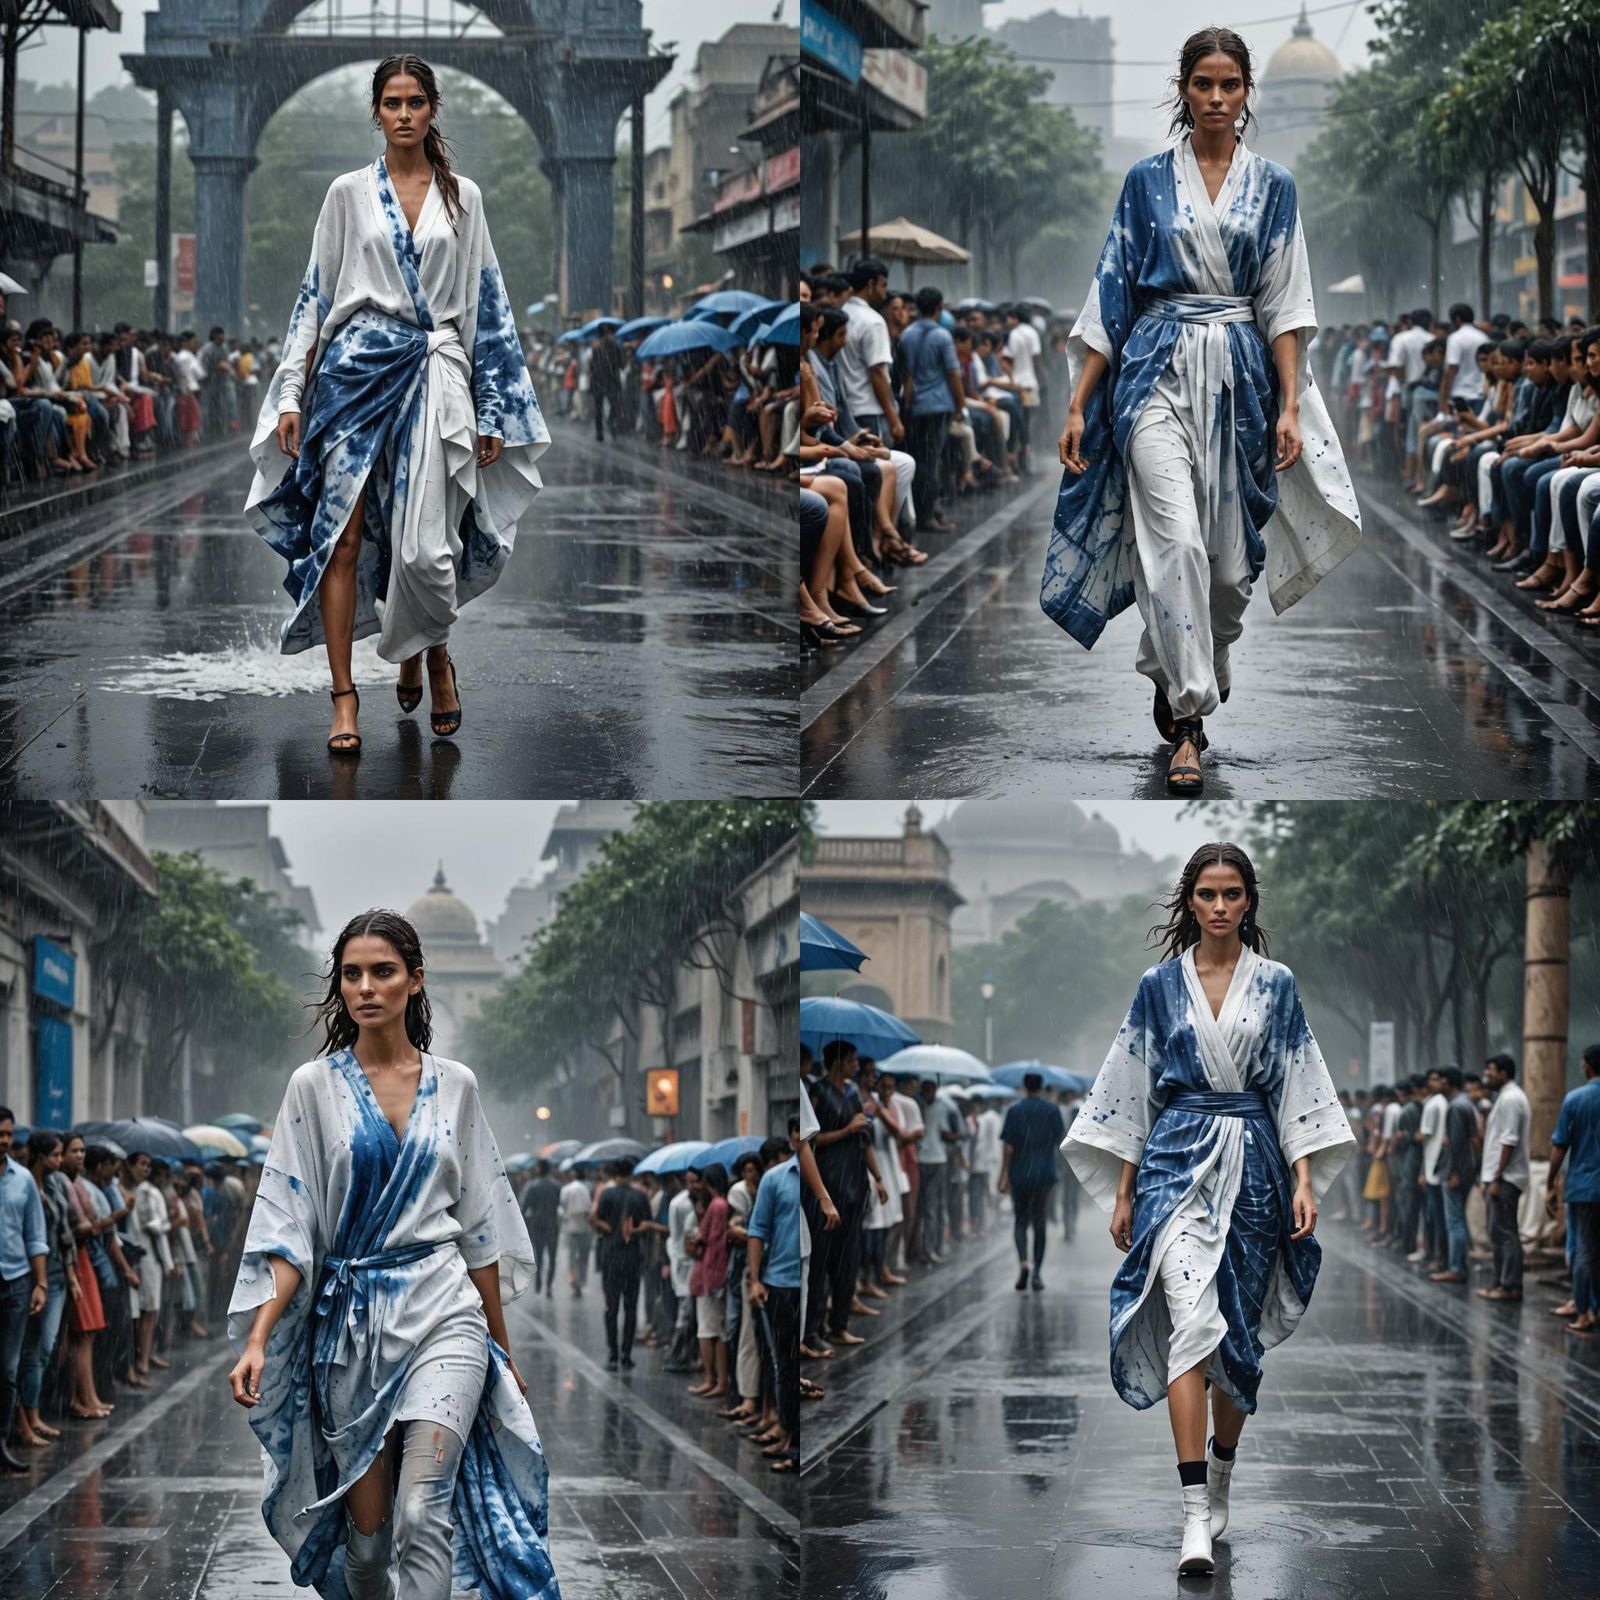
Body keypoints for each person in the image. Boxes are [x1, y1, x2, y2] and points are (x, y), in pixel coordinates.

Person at [1042, 27, 1360, 793]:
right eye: (1203, 84)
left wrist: (1289, 407)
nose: (1216, 98)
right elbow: (1111, 294)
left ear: (1248, 92)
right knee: (1175, 541)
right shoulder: (1145, 182)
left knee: (1228, 569)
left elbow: (1286, 305)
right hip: (1153, 372)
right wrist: (1080, 404)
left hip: (1242, 383)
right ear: (1183, 90)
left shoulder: (1276, 187)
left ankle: (1180, 658)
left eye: (1230, 85)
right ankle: (1190, 720)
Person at [224, 908, 558, 1600]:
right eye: (352, 974)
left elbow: (480, 1233)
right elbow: (289, 1227)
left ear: (416, 979)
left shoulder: (458, 1085)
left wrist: (500, 1348)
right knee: (370, 1545)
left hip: (445, 1313)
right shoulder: (311, 1088)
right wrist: (258, 1337)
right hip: (352, 1330)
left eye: (383, 971)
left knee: (421, 1510)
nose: (366, 987)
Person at [1062, 843, 1353, 1577]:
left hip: (1255, 1168)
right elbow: (1132, 1089)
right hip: (1174, 1160)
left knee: (1236, 1339)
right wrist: (1124, 1190)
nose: (1219, 906)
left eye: (1231, 893)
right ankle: (1194, 1511)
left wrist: (1304, 1180)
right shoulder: (1157, 988)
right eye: (1206, 893)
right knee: (1190, 1322)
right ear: (1188, 901)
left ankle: (1222, 1469)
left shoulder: (1277, 984)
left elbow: (1296, 1084)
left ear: (1249, 901)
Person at [247, 53, 550, 756]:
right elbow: (315, 295)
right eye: (392, 103)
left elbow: (486, 305)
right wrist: (290, 392)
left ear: (432, 109)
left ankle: (431, 654)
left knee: (427, 550)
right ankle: (344, 698)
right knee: (343, 539)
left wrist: (493, 405)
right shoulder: (347, 194)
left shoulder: (464, 197)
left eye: (416, 102)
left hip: (435, 375)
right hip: (351, 378)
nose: (405, 114)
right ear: (377, 112)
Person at [0, 1107, 48, 1475]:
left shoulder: (23, 1180)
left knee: (8, 1368)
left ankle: (2, 1440)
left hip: (16, 1282)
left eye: (8, 1134)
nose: (4, 1141)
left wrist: (41, 1283)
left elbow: (35, 1235)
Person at [1545, 1043, 1600, 1337]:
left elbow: (1560, 1146)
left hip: (1585, 1186)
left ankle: (1583, 1312)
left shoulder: (1576, 1099)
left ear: (1587, 1066)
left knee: (1583, 1250)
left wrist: (1550, 1183)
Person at [997, 1072, 1066, 1291]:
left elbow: (1008, 1146)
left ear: (1024, 1087)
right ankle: (1036, 1273)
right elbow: (1061, 1141)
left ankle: (1023, 1263)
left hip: (1020, 1174)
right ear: (1041, 1087)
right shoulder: (1052, 1110)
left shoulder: (1015, 1111)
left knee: (1020, 1221)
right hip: (1044, 1175)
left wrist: (1003, 1174)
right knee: (1039, 1222)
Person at [591, 1159, 651, 1372]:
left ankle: (613, 1353)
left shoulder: (607, 1194)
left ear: (614, 1173)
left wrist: (606, 1228)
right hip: (633, 1256)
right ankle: (626, 1353)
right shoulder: (640, 1196)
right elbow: (646, 1224)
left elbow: (596, 1220)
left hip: (611, 1257)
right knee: (630, 1307)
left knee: (612, 1307)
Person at [1478, 1054, 1530, 1301]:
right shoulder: (1507, 1097)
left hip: (1506, 1178)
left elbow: (1509, 1141)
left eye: (1490, 1070)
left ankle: (1509, 1286)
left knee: (1505, 1232)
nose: (1486, 1075)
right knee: (1500, 1232)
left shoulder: (1510, 1099)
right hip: (1501, 1176)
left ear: (1503, 1073)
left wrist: (1497, 1178)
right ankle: (1501, 1283)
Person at [686, 1163, 731, 1398]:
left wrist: (696, 1241)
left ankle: (713, 1379)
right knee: (717, 1330)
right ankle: (718, 1379)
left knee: (708, 1330)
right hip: (714, 1273)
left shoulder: (717, 1205)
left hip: (710, 1275)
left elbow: (712, 1242)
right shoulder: (721, 1204)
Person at [1431, 1066, 1477, 1285]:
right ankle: (1459, 1265)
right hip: (1465, 1169)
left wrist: (1454, 1172)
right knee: (1458, 1219)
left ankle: (1456, 1268)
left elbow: (1457, 1144)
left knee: (1455, 1221)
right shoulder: (1465, 1103)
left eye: (1440, 1080)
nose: (1437, 1084)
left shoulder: (1456, 1107)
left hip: (1455, 1172)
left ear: (1448, 1082)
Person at [519, 1159, 562, 1297]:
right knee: (552, 1256)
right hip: (552, 1224)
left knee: (539, 1255)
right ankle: (549, 1285)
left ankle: (538, 1281)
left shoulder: (533, 1186)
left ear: (539, 1169)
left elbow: (525, 1206)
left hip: (537, 1224)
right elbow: (559, 1203)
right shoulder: (556, 1186)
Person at [559, 1166, 592, 1296]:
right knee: (583, 1256)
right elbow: (588, 1207)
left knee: (572, 1256)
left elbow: (562, 1207)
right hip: (584, 1227)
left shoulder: (566, 1189)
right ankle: (581, 1281)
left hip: (571, 1227)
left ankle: (573, 1279)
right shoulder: (585, 1189)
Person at [589, 323, 624, 442]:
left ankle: (609, 425)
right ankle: (601, 432)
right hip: (602, 382)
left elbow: (620, 364)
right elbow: (593, 366)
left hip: (609, 382)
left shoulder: (614, 347)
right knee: (600, 409)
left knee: (615, 406)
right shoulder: (598, 348)